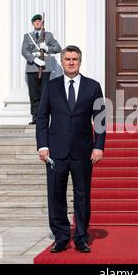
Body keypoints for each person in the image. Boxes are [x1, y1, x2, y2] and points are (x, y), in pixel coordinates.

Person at [36, 45, 106, 254]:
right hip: (55, 152)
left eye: (75, 59)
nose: (71, 62)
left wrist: (99, 146)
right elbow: (42, 117)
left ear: (80, 61)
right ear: (62, 61)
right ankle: (61, 237)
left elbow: (100, 120)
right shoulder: (52, 86)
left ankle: (82, 237)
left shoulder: (93, 87)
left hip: (83, 152)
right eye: (67, 59)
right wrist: (42, 145)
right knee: (56, 195)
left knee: (82, 196)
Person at [22, 14, 62, 125]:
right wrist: (34, 59)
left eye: (39, 21)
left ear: (42, 23)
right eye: (36, 22)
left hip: (45, 68)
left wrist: (47, 48)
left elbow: (58, 48)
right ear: (32, 23)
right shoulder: (27, 36)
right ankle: (35, 117)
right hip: (32, 68)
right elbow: (24, 51)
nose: (38, 23)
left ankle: (43, 117)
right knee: (34, 94)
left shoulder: (48, 36)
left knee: (44, 93)